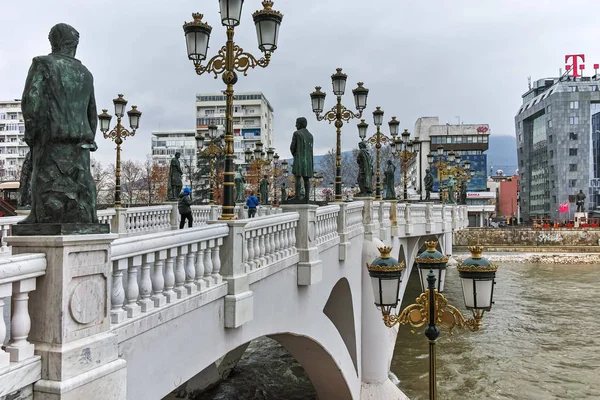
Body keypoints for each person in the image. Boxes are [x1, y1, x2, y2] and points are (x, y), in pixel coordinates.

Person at [20, 23, 99, 225]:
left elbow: (32, 101)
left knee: (42, 178)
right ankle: (88, 218)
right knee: (81, 182)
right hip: (81, 139)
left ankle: (38, 216)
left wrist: (32, 134)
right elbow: (92, 111)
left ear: (54, 43)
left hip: (51, 137)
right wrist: (90, 137)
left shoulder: (42, 64)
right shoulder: (85, 73)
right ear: (72, 44)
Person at [290, 117, 314, 203]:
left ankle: (297, 196)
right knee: (306, 179)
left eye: (297, 123)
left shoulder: (297, 133)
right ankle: (307, 197)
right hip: (308, 160)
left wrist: (296, 156)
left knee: (297, 177)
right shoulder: (310, 135)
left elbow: (292, 147)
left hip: (299, 158)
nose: (295, 125)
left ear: (300, 124)